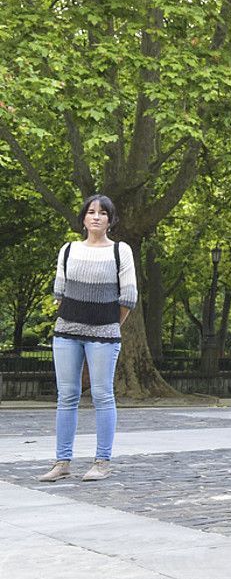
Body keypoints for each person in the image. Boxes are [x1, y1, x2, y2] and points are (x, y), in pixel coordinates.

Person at [36, 195, 137, 483]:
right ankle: (62, 462)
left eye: (103, 213)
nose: (96, 217)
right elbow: (60, 294)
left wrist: (108, 326)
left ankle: (102, 462)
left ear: (110, 220)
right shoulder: (68, 250)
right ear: (83, 218)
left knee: (102, 395)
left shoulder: (121, 251)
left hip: (104, 335)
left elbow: (128, 298)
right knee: (66, 397)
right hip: (66, 333)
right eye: (91, 212)